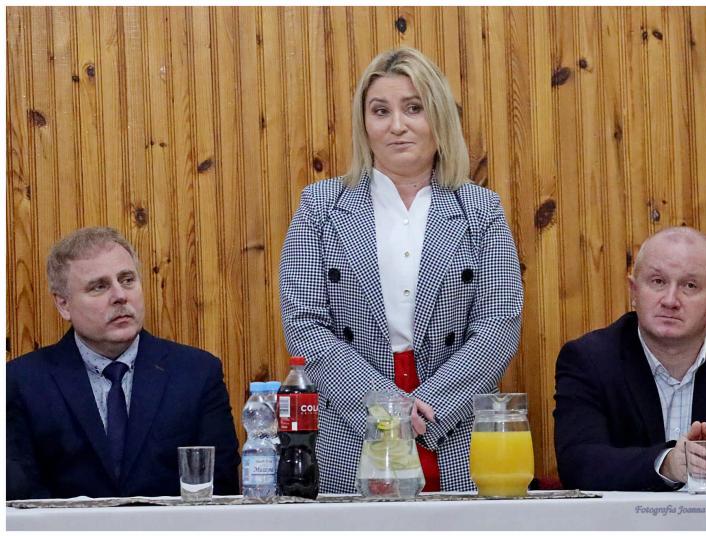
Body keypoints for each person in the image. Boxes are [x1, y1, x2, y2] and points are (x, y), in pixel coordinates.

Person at [279, 46, 523, 493]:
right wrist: (384, 407)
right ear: (364, 124)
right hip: (351, 428)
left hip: (451, 425)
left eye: (413, 108)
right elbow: (304, 323)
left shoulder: (481, 209)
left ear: (439, 117)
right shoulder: (320, 206)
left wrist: (430, 404)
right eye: (380, 111)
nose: (397, 125)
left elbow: (499, 324)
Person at [7, 226, 241, 500]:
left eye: (127, 280)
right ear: (63, 305)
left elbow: (219, 489)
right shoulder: (21, 382)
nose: (120, 295)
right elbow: (20, 496)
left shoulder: (196, 373)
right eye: (99, 286)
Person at [553, 226, 706, 491]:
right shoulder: (589, 360)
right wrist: (666, 464)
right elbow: (579, 463)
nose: (670, 300)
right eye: (658, 281)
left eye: (690, 286)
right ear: (634, 291)